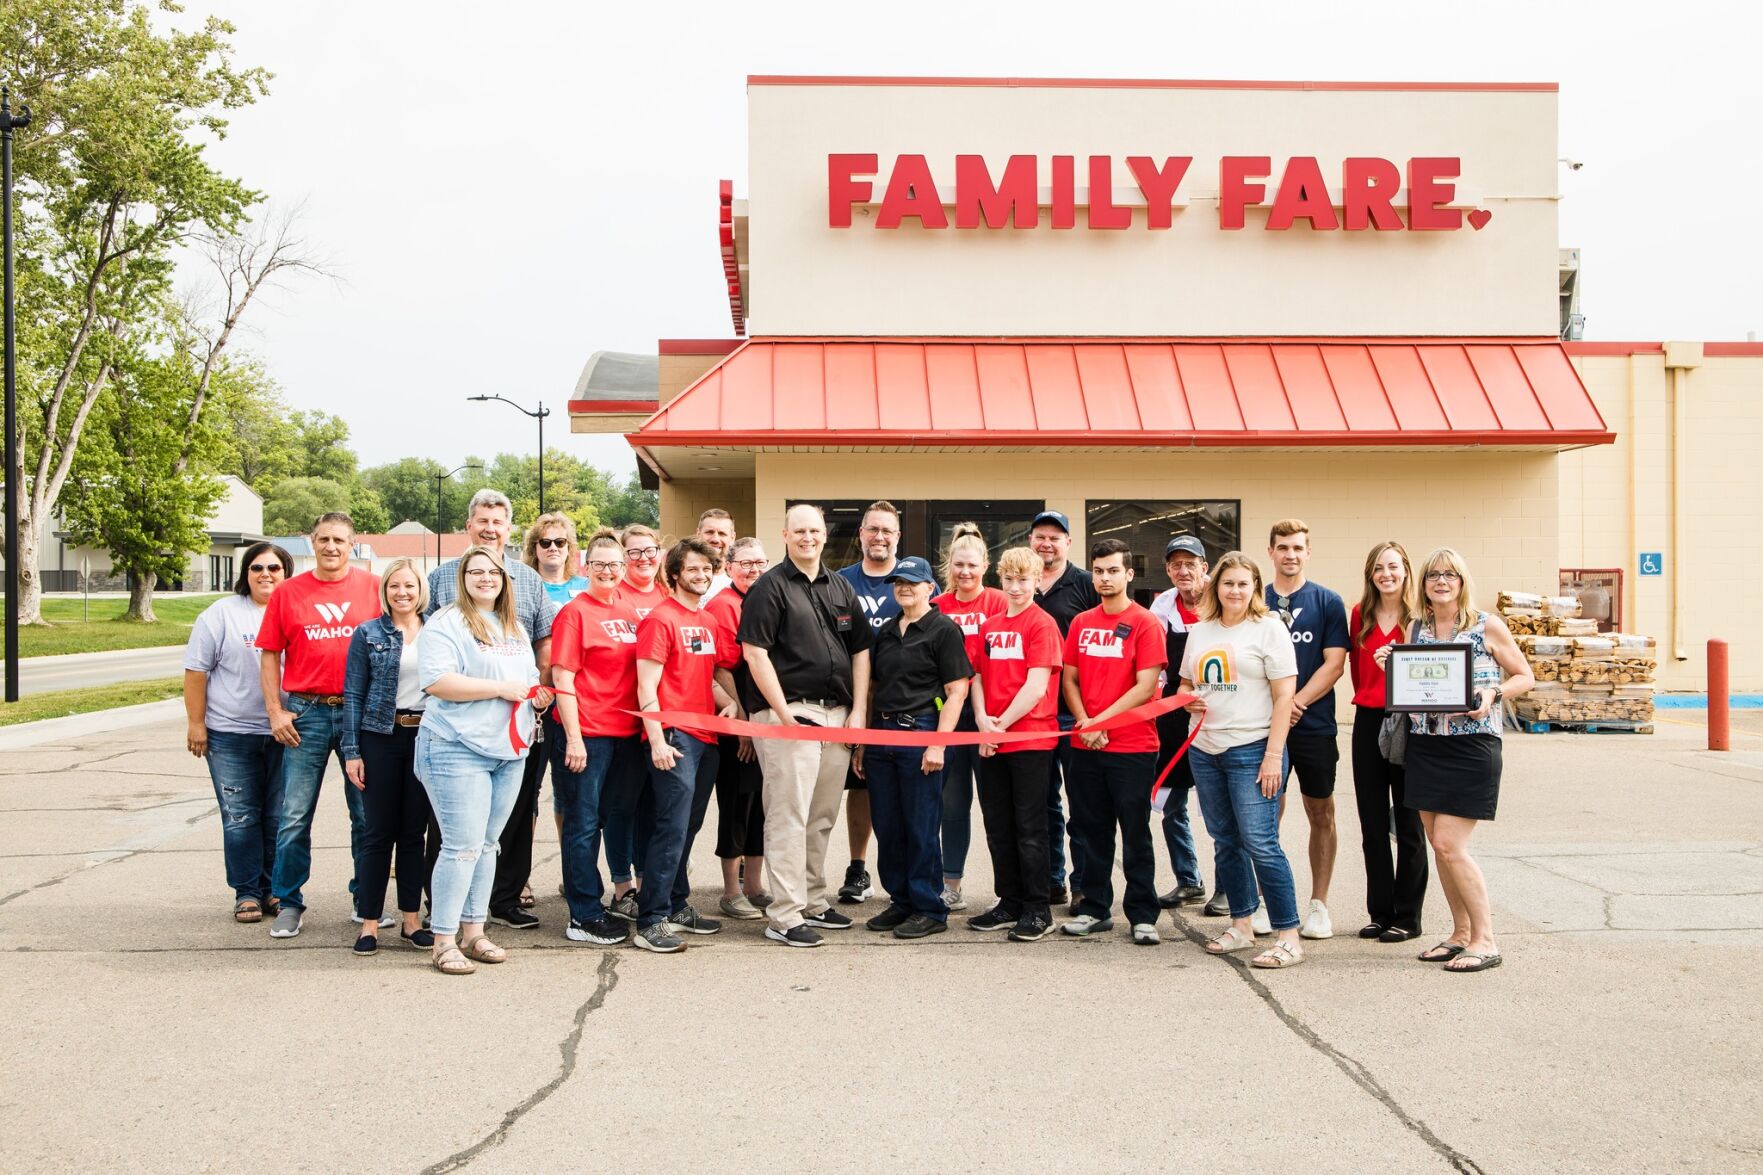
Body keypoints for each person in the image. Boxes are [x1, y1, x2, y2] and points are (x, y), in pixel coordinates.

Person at [1385, 547, 1533, 974]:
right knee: (1438, 845)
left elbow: (1525, 675)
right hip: (1426, 744)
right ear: (1425, 584)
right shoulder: (1417, 628)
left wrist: (1493, 694)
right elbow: (1413, 680)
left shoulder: (1487, 625)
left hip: (1472, 747)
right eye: (1433, 575)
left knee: (1451, 844)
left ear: (1462, 581)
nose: (1441, 581)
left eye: (1450, 574)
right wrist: (1390, 664)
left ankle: (1485, 940)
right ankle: (1459, 934)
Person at [738, 503, 872, 948]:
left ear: (824, 533)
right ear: (785, 535)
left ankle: (813, 900)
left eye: (815, 530)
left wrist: (857, 713)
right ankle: (784, 914)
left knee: (820, 817)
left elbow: (860, 651)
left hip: (837, 716)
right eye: (800, 531)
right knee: (788, 817)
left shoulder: (839, 586)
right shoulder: (769, 588)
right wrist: (781, 714)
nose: (808, 538)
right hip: (790, 715)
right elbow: (754, 653)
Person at [415, 546, 551, 975]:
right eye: (475, 572)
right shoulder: (446, 622)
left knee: (489, 844)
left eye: (492, 572)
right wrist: (500, 690)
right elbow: (436, 681)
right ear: (463, 578)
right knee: (460, 847)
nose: (485, 578)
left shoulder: (510, 625)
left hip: (508, 751)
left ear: (505, 579)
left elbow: (525, 679)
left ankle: (475, 931)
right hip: (457, 748)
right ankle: (443, 939)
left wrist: (536, 695)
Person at [257, 513, 381, 939]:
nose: (331, 547)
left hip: (359, 714)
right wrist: (276, 710)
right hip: (305, 713)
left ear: (353, 544)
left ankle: (365, 899)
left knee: (365, 815)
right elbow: (270, 654)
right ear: (311, 542)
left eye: (340, 540)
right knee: (294, 815)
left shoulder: (373, 589)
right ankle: (289, 901)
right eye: (324, 539)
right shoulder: (288, 593)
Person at [1180, 552, 1306, 969]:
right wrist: (1188, 700)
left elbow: (1284, 695)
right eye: (1228, 583)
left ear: (1255, 589)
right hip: (1205, 749)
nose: (1235, 591)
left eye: (1243, 584)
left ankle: (1289, 934)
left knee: (1261, 843)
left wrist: (1274, 756)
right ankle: (1241, 925)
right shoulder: (1200, 631)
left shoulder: (1268, 630)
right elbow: (1185, 681)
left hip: (1252, 749)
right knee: (1226, 841)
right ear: (1216, 586)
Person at [630, 538, 740, 952]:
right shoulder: (660, 620)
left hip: (705, 737)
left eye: (707, 569)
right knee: (670, 827)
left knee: (688, 827)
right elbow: (647, 685)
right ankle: (652, 919)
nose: (701, 575)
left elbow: (707, 678)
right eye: (692, 569)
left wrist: (729, 704)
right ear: (674, 573)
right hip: (673, 738)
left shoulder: (707, 621)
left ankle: (677, 904)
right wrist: (656, 739)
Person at [855, 556, 971, 940]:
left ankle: (929, 907)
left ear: (929, 588)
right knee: (889, 826)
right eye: (898, 582)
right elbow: (872, 688)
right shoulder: (886, 631)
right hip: (883, 736)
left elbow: (957, 691)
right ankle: (901, 900)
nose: (904, 588)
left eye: (912, 582)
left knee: (920, 826)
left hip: (922, 733)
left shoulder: (944, 630)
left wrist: (937, 744)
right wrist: (863, 743)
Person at [1059, 538, 1166, 945]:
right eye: (1099, 571)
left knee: (1135, 832)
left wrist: (1099, 721)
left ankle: (1142, 914)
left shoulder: (1145, 623)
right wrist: (1085, 721)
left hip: (1132, 747)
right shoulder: (1082, 623)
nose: (1105, 578)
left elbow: (1145, 686)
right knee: (1091, 830)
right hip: (1087, 745)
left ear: (1129, 574)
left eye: (1113, 571)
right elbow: (1070, 678)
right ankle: (1095, 909)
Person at [183, 541, 293, 924]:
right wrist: (196, 724)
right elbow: (196, 672)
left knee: (279, 816)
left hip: (287, 733)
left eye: (274, 568)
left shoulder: (296, 610)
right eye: (257, 568)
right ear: (245, 574)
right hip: (231, 733)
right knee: (241, 816)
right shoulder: (221, 615)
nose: (266, 574)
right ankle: (247, 892)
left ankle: (276, 890)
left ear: (286, 573)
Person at [340, 558, 439, 955]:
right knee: (377, 833)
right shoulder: (368, 634)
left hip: (426, 737)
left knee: (415, 834)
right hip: (380, 736)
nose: (402, 592)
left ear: (421, 590)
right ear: (385, 590)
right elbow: (353, 695)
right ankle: (369, 923)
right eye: (395, 585)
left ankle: (411, 921)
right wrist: (352, 752)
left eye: (410, 586)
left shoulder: (438, 632)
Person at [547, 532, 641, 947]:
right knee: (582, 823)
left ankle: (598, 902)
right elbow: (562, 677)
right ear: (585, 567)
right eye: (599, 564)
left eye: (615, 564)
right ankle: (583, 915)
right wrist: (574, 737)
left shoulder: (627, 609)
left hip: (626, 733)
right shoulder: (574, 613)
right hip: (589, 733)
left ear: (625, 568)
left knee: (606, 818)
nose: (608, 571)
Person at [970, 546, 1063, 942]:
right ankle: (1008, 900)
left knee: (1030, 826)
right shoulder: (989, 627)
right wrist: (981, 723)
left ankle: (1037, 907)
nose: (1016, 587)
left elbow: (1036, 685)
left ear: (1038, 580)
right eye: (1009, 579)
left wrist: (1001, 726)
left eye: (1024, 579)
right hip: (991, 738)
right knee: (998, 826)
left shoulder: (1042, 625)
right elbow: (975, 676)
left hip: (1029, 740)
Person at [1266, 519, 1351, 941]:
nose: (1290, 554)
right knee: (1266, 814)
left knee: (1321, 812)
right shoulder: (1254, 600)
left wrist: (1296, 703)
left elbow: (1333, 664)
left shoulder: (1327, 601)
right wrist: (1278, 709)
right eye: (1283, 547)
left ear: (1308, 552)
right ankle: (1269, 902)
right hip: (1264, 729)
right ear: (1271, 553)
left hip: (1313, 724)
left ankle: (1319, 905)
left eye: (1298, 547)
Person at [1349, 541, 1427, 943]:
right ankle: (1380, 911)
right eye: (1379, 568)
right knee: (1372, 824)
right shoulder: (1359, 616)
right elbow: (1357, 676)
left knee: (1410, 823)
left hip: (1409, 721)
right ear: (1371, 574)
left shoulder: (1421, 619)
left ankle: (1408, 915)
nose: (1387, 574)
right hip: (1368, 720)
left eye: (1393, 567)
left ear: (1406, 571)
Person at [931, 523, 1006, 912]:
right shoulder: (938, 606)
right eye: (958, 564)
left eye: (972, 565)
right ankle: (952, 883)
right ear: (949, 565)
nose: (965, 572)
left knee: (997, 807)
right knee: (953, 805)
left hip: (992, 720)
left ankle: (1007, 888)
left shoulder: (999, 602)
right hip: (952, 721)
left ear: (985, 565)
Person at [1030, 509, 1099, 913]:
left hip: (1076, 715)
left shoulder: (1087, 585)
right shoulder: (1019, 586)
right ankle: (1051, 880)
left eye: (1055, 537)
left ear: (1068, 544)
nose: (1047, 543)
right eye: (1040, 536)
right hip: (1034, 718)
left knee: (1082, 805)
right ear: (1030, 541)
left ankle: (1084, 886)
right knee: (1043, 806)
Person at [834, 499, 902, 904]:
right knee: (856, 789)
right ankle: (857, 869)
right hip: (847, 702)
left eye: (887, 530)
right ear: (861, 534)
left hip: (897, 704)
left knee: (896, 791)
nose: (879, 537)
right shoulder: (840, 582)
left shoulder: (914, 579)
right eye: (872, 529)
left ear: (898, 536)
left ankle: (901, 871)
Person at [704, 536, 772, 919]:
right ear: (729, 568)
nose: (753, 570)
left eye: (760, 563)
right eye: (745, 563)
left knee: (760, 806)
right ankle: (731, 891)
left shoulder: (768, 598)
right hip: (738, 724)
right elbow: (721, 667)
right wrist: (743, 725)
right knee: (736, 804)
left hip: (767, 723)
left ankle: (755, 885)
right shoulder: (723, 606)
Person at [1148, 535, 1209, 910]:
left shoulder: (1223, 601)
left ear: (1205, 566)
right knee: (1173, 803)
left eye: (1191, 563)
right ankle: (1189, 879)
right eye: (1176, 564)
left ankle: (1229, 888)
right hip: (1172, 715)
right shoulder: (1162, 606)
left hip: (1219, 714)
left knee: (1221, 807)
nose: (1183, 571)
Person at [525, 512, 590, 604]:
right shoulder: (525, 589)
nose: (553, 548)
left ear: (569, 547)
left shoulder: (586, 586)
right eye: (545, 543)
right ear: (534, 549)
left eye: (560, 542)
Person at [618, 523, 668, 619]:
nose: (644, 558)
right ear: (623, 557)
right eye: (635, 552)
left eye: (650, 551)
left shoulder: (669, 593)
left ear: (659, 553)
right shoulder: (613, 595)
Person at [697, 508, 737, 601]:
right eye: (709, 532)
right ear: (698, 534)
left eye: (722, 534)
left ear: (732, 538)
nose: (715, 539)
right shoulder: (681, 579)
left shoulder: (739, 581)